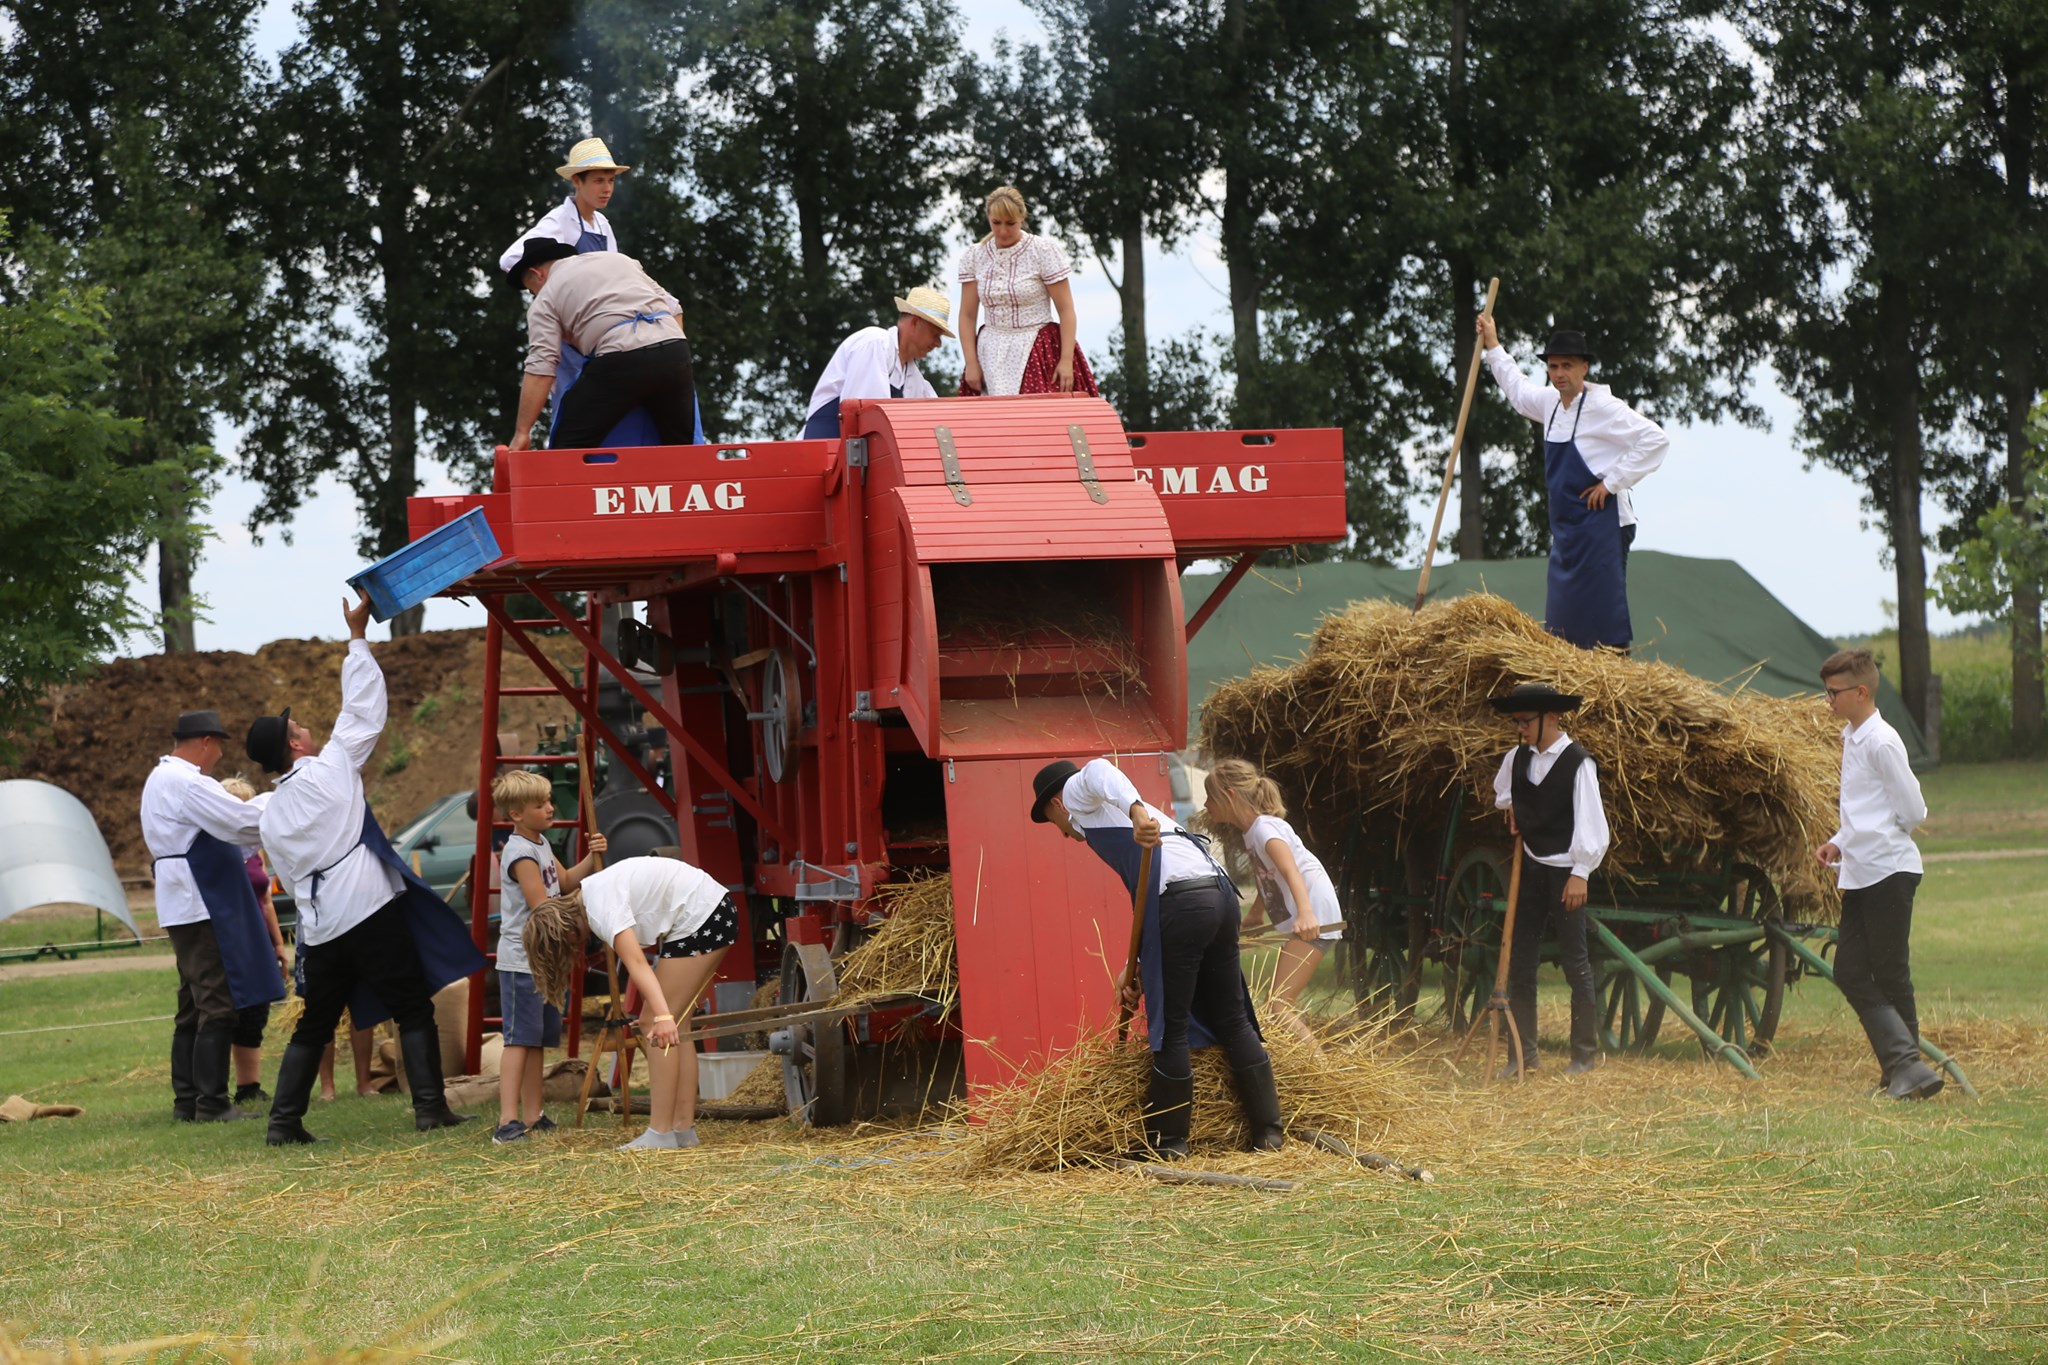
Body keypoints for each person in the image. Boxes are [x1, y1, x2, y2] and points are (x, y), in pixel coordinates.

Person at [248, 590, 486, 1145]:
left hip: (323, 926)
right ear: (295, 744)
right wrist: (357, 637)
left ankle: (283, 1122)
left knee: (314, 1021)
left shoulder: (271, 814)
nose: (309, 730)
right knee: (411, 1008)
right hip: (370, 912)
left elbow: (287, 872)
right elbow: (363, 709)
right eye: (301, 727)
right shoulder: (330, 769)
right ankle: (430, 1109)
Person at [1030, 757, 1283, 1160]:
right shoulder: (1128, 816)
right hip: (1216, 896)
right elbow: (1158, 908)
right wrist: (1139, 969)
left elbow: (1096, 769)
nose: (1062, 834)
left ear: (1057, 805)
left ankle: (1169, 1145)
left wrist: (1136, 814)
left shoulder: (1079, 797)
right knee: (1232, 1017)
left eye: (1051, 821)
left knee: (1171, 1026)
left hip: (1181, 902)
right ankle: (1269, 1134)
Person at [1476, 316, 1669, 651]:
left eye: (1567, 365)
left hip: (1604, 525)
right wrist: (1493, 345)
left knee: (1603, 616)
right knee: (1564, 618)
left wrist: (1611, 484)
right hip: (1568, 529)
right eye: (1553, 366)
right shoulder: (1549, 404)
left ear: (1585, 368)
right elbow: (1518, 391)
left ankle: (1616, 674)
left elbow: (1655, 440)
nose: (1559, 373)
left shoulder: (1604, 407)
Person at [524, 856, 739, 1151]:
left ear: (565, 930)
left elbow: (636, 963)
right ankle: (682, 1129)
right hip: (710, 910)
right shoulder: (591, 894)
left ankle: (660, 1134)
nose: (576, 949)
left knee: (659, 1022)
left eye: (569, 946)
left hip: (702, 917)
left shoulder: (600, 911)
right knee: (679, 1025)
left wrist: (661, 1015)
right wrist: (665, 1015)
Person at [139, 711, 287, 1123]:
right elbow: (238, 821)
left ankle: (187, 1100)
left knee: (192, 1002)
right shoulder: (186, 782)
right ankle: (212, 1102)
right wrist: (284, 798)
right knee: (216, 1002)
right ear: (205, 742)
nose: (220, 754)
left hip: (181, 898)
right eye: (219, 745)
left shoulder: (161, 778)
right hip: (197, 898)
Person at [1815, 649, 1944, 1100]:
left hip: (1890, 869)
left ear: (1861, 692)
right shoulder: (1854, 737)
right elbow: (1863, 811)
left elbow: (1912, 809)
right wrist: (1840, 840)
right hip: (1860, 870)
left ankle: (1904, 1072)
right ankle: (1905, 1066)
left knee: (1891, 972)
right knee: (1849, 970)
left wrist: (1878, 839)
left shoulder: (1883, 741)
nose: (1827, 700)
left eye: (1833, 693)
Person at [1489, 682, 1610, 1077]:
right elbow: (1506, 798)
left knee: (1576, 962)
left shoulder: (1578, 763)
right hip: (1531, 867)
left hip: (1566, 871)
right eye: (1517, 722)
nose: (1520, 729)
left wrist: (1580, 873)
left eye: (1526, 722)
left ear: (1552, 718)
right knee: (1522, 961)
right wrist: (1513, 815)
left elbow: (1592, 823)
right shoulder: (1516, 759)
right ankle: (1522, 1055)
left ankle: (1582, 1055)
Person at [489, 770, 606, 1145]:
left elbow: (567, 880)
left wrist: (593, 856)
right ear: (516, 813)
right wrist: (583, 914)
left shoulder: (539, 843)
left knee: (536, 1039)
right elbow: (542, 906)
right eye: (541, 805)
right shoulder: (520, 853)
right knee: (518, 1041)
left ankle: (533, 1114)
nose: (550, 808)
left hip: (544, 962)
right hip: (522, 961)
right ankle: (507, 1122)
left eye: (550, 800)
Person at [505, 238, 697, 451]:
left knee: (567, 447)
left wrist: (522, 432)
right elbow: (674, 307)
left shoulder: (545, 298)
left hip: (622, 358)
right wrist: (663, 356)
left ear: (537, 274)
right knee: (680, 451)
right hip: (675, 349)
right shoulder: (620, 260)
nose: (534, 296)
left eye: (532, 291)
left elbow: (541, 368)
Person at [1200, 760, 1344, 1043]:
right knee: (1277, 1003)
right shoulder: (1253, 832)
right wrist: (1255, 914)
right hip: (1312, 911)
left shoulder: (1265, 829)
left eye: (1210, 796)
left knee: (1278, 1004)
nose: (1206, 804)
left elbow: (1290, 868)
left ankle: (1322, 1074)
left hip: (1315, 913)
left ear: (1229, 795)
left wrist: (1305, 914)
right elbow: (1269, 878)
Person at [956, 186, 1096, 397]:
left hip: (1037, 349)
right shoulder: (975, 256)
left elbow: (1066, 310)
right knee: (990, 423)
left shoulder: (1042, 251)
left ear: (1021, 217)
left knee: (1040, 421)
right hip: (990, 352)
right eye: (996, 223)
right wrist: (971, 362)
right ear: (988, 218)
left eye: (1010, 223)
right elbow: (967, 315)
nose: (1003, 231)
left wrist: (1066, 360)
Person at [219, 776, 290, 1108]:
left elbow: (267, 900)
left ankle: (250, 1085)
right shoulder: (217, 847)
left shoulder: (256, 848)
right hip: (230, 938)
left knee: (257, 1010)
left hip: (259, 937)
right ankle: (215, 1086)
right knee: (227, 1010)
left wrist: (278, 944)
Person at [798, 287, 952, 439]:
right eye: (935, 334)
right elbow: (867, 420)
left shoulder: (915, 378)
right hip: (817, 454)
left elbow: (936, 422)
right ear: (914, 323)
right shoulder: (875, 343)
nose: (938, 343)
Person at [495, 137, 627, 278]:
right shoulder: (560, 221)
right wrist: (556, 283)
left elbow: (614, 275)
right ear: (577, 181)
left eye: (611, 181)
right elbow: (509, 260)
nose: (607, 189)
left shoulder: (602, 224)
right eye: (599, 181)